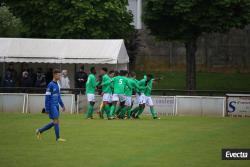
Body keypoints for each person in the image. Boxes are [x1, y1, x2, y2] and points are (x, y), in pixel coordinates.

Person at [36, 69, 66, 142]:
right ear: (54, 75)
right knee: (56, 121)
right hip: (52, 105)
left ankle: (39, 130)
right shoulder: (50, 85)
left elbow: (58, 96)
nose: (59, 76)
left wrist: (62, 105)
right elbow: (47, 97)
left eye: (60, 75)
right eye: (58, 75)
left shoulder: (57, 85)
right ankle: (58, 138)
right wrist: (47, 109)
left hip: (56, 105)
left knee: (55, 122)